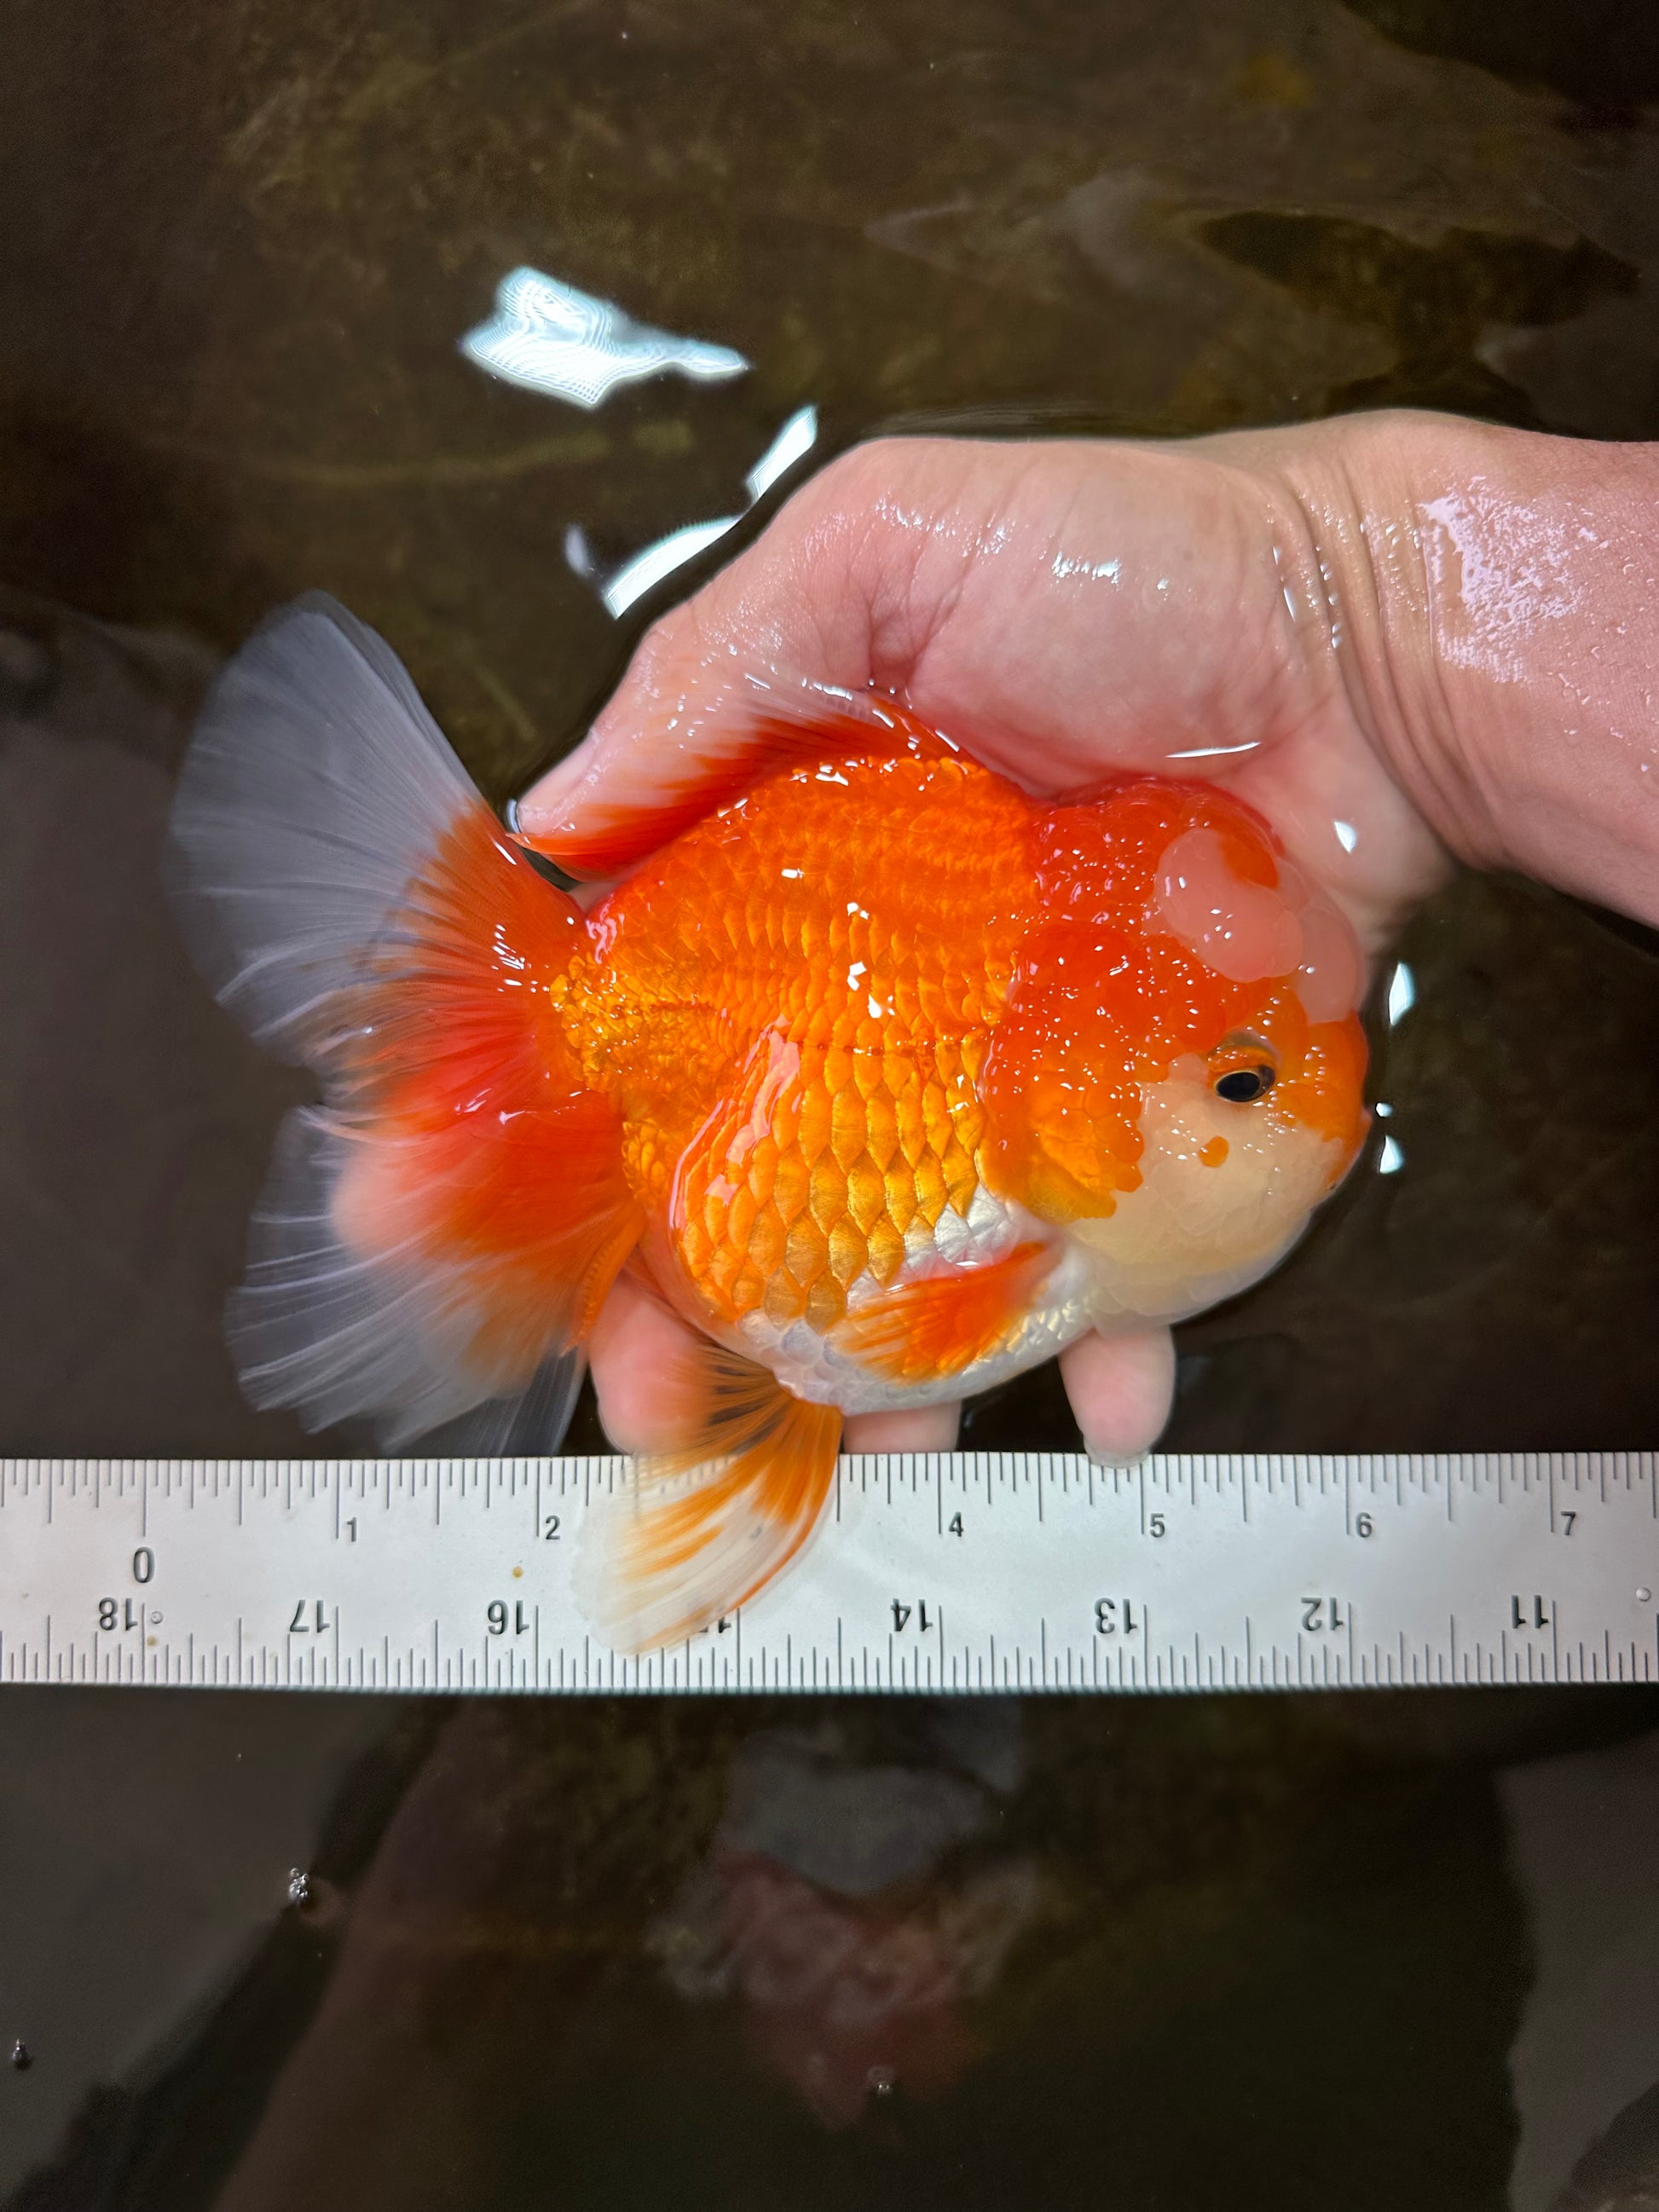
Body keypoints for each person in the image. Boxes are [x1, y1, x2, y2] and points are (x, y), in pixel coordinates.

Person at [512, 409, 1659, 1461]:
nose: (1334, 1115)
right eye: (1242, 1084)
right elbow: (913, 1325)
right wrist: (1359, 614)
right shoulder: (1032, 1219)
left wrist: (1361, 609)